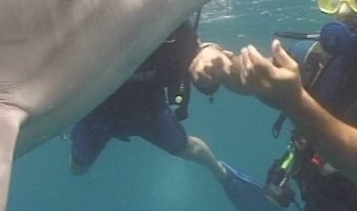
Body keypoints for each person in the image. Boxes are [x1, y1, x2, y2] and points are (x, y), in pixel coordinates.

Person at [192, 0, 357, 210]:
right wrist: (215, 58)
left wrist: (295, 103)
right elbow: (252, 75)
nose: (345, 11)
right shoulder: (315, 58)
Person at [69, 19, 256, 211]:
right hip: (100, 115)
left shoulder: (172, 29)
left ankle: (223, 174)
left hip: (148, 113)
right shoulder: (95, 29)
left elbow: (199, 53)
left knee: (187, 148)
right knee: (77, 169)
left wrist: (210, 55)